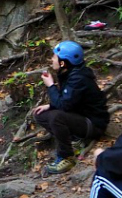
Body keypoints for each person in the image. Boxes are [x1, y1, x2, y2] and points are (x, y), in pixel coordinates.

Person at [32, 41, 110, 175]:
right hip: (80, 115)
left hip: (94, 124)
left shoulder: (78, 78)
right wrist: (50, 105)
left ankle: (67, 156)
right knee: (39, 114)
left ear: (63, 62)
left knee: (56, 117)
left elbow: (64, 105)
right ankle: (73, 138)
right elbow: (70, 100)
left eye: (55, 57)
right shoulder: (69, 73)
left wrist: (51, 86)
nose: (52, 59)